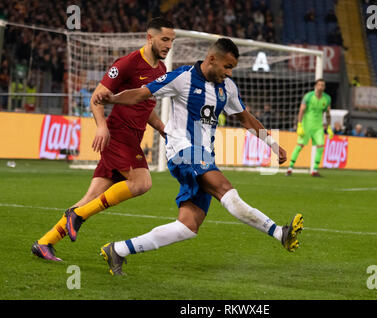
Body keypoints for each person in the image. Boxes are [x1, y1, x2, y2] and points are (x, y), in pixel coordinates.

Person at [93, 38, 304, 275]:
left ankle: (118, 250)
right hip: (183, 151)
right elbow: (142, 94)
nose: (229, 72)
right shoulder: (182, 78)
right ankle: (279, 232)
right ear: (211, 59)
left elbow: (246, 119)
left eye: (231, 68)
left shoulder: (228, 88)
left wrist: (272, 144)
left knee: (188, 226)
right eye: (227, 66)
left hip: (204, 155)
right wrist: (112, 98)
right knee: (224, 188)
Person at [31, 18, 176, 261]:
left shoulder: (160, 70)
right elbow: (97, 97)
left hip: (132, 138)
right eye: (164, 39)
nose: (169, 45)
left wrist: (161, 127)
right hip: (118, 136)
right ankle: (76, 216)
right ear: (149, 38)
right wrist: (101, 127)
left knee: (90, 199)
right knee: (142, 183)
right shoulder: (128, 63)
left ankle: (45, 242)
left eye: (172, 40)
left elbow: (145, 103)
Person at [285, 79, 332, 177]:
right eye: (319, 85)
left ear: (324, 87)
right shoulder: (308, 96)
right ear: (315, 86)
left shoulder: (327, 98)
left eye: (323, 85)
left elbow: (327, 114)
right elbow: (301, 110)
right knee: (299, 146)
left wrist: (329, 127)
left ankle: (314, 170)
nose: (321, 87)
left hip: (318, 127)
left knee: (320, 146)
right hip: (306, 126)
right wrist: (299, 125)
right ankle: (290, 168)